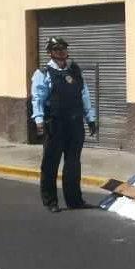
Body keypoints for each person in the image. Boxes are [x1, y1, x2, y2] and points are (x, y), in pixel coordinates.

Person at [31, 37, 97, 212]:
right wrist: (39, 122)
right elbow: (37, 99)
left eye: (63, 49)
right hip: (55, 125)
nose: (61, 52)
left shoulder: (74, 71)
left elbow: (85, 95)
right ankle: (51, 201)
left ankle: (75, 200)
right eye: (57, 49)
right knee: (50, 164)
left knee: (73, 164)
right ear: (50, 53)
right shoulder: (43, 73)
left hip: (74, 125)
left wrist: (90, 118)